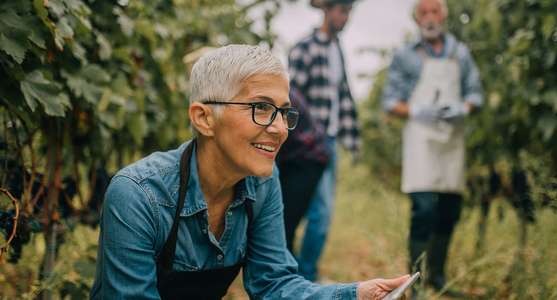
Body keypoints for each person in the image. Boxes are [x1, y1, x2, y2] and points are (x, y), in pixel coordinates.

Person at [91, 44, 408, 299]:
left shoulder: (263, 184)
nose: (281, 129)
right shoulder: (137, 194)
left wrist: (354, 295)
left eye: (284, 112)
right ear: (204, 118)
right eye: (262, 108)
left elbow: (273, 285)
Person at [381, 0, 483, 293]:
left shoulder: (460, 54)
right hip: (421, 139)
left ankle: (438, 277)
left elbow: (476, 93)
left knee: (450, 208)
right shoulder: (405, 56)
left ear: (443, 15)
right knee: (423, 208)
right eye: (423, 13)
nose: (429, 18)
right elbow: (390, 101)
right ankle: (414, 282)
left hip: (452, 140)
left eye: (434, 11)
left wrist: (463, 107)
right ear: (416, 19)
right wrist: (415, 110)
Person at [287, 0, 361, 282]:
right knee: (306, 211)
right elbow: (293, 97)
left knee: (320, 214)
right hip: (306, 147)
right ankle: (299, 274)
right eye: (342, 11)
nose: (345, 18)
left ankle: (302, 273)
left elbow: (342, 98)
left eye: (349, 13)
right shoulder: (304, 48)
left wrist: (351, 138)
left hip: (328, 144)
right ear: (327, 11)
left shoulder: (337, 51)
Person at [277, 87, 330, 255]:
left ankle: (287, 274)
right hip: (293, 158)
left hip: (308, 159)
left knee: (285, 223)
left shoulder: (279, 94)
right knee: (282, 222)